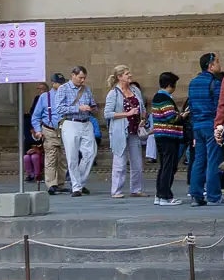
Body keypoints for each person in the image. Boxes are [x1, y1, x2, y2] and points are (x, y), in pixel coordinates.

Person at [186, 53, 224, 205]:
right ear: (211, 65)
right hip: (211, 124)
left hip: (198, 126)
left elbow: (192, 108)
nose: (219, 65)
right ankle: (214, 196)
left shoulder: (193, 83)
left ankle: (196, 194)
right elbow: (218, 106)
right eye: (217, 62)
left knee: (199, 160)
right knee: (213, 160)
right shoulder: (215, 82)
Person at [53, 66, 97, 196]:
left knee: (90, 153)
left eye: (84, 78)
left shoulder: (86, 90)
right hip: (71, 123)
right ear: (73, 75)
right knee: (72, 156)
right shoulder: (63, 89)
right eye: (80, 77)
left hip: (86, 122)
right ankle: (77, 187)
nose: (82, 80)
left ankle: (79, 182)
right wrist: (78, 108)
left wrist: (92, 108)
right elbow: (59, 109)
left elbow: (92, 103)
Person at [103, 65, 146, 199]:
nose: (130, 76)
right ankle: (116, 190)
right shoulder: (113, 93)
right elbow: (107, 113)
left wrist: (143, 118)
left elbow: (142, 107)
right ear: (119, 77)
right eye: (127, 74)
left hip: (134, 129)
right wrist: (127, 113)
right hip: (119, 131)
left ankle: (136, 189)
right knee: (120, 162)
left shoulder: (135, 90)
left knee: (137, 162)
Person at [149, 72, 186, 205]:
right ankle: (166, 196)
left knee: (164, 166)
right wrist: (183, 115)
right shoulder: (163, 98)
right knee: (169, 167)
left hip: (161, 136)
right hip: (168, 136)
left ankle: (159, 195)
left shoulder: (158, 97)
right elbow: (171, 118)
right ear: (170, 85)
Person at [30, 74, 68, 195]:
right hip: (49, 130)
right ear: (53, 83)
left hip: (64, 130)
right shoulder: (44, 97)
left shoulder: (68, 96)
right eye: (59, 83)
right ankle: (51, 184)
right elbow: (36, 116)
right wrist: (38, 130)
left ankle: (61, 183)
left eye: (63, 83)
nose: (62, 85)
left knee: (63, 159)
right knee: (51, 158)